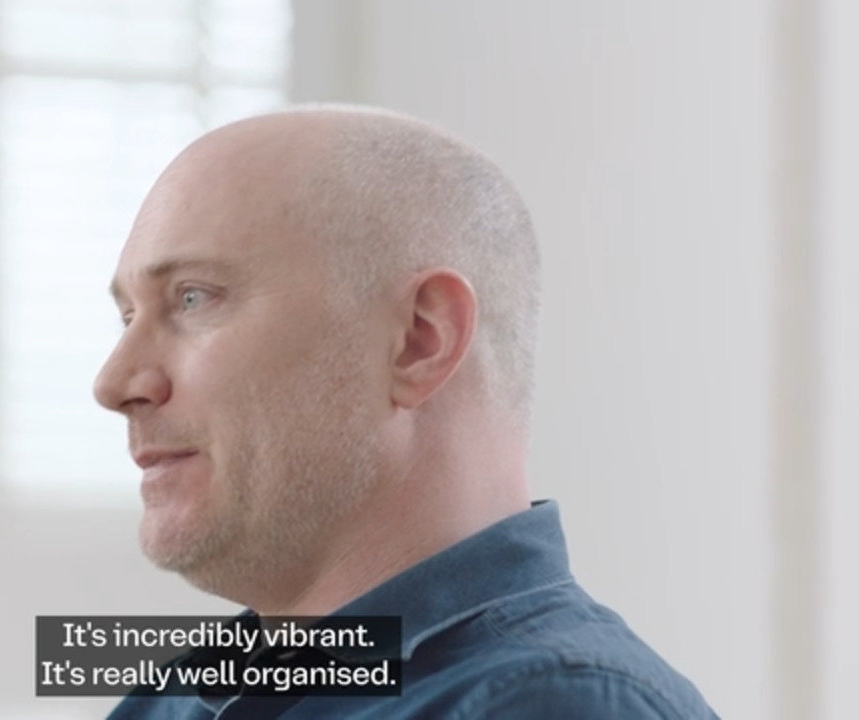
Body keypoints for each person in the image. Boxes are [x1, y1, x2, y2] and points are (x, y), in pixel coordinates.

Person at [93, 105, 716, 719]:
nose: (114, 383)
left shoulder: (550, 706)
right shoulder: (176, 700)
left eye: (193, 299)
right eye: (128, 317)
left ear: (419, 340)